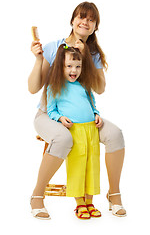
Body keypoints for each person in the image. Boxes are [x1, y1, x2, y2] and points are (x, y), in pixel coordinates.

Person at [29, 2, 126, 219]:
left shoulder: (94, 54)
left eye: (91, 20)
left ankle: (114, 193)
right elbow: (33, 88)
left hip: (82, 116)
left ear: (94, 27)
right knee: (63, 138)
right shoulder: (55, 47)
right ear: (72, 20)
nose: (85, 22)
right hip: (50, 114)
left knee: (115, 134)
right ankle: (37, 195)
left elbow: (99, 90)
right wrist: (38, 60)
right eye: (81, 17)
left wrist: (88, 59)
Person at [45, 44, 102, 219]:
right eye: (69, 66)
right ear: (60, 67)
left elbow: (92, 104)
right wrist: (60, 118)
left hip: (91, 129)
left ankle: (90, 201)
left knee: (92, 166)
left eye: (78, 66)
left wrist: (97, 114)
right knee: (77, 166)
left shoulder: (84, 85)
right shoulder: (55, 87)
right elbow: (51, 111)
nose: (74, 70)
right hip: (74, 130)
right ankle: (79, 203)